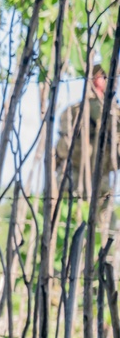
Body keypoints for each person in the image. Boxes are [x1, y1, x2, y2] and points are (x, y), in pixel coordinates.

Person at [55, 63, 120, 229]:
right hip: (74, 179)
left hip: (101, 183)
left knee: (107, 231)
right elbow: (63, 148)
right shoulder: (75, 111)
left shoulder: (115, 114)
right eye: (100, 77)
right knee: (70, 226)